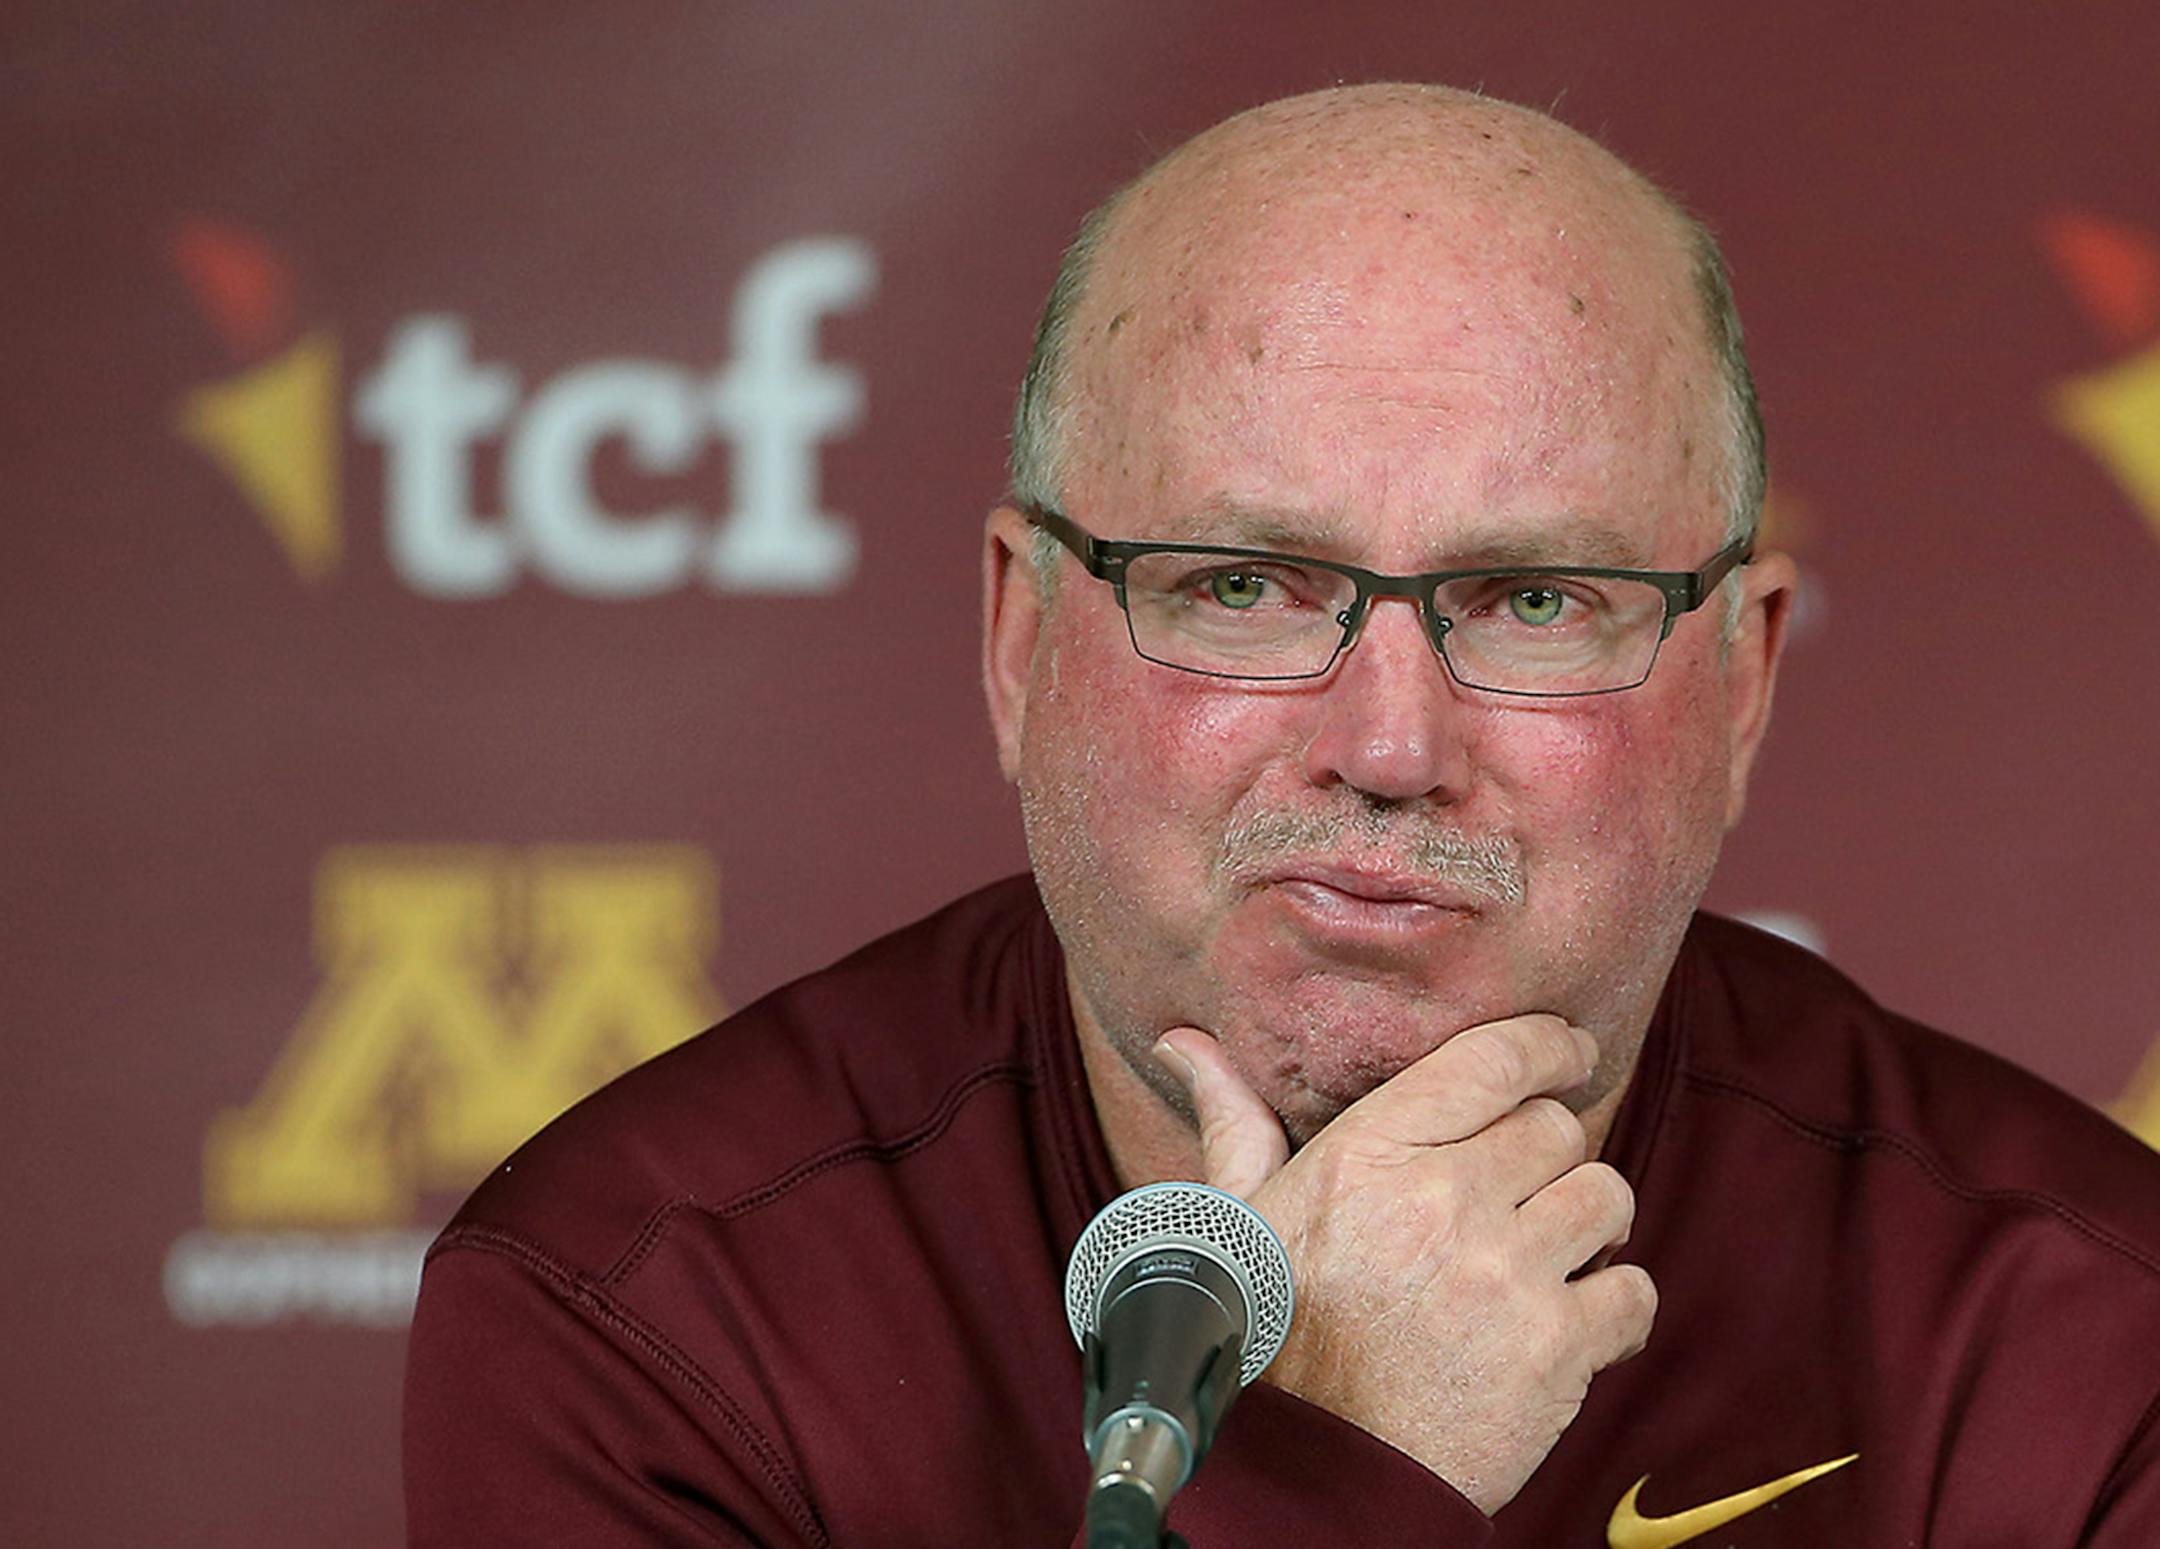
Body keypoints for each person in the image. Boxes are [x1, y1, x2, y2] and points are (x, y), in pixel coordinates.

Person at [405, 84, 2160, 1546]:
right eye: (1241, 583)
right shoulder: (651, 1322)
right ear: (1022, 644)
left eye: (1537, 600)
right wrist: (1344, 1466)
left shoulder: (2083, 1345)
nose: (1392, 743)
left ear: (1746, 683)